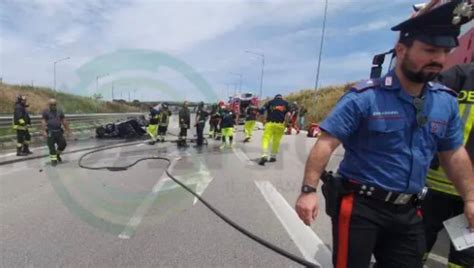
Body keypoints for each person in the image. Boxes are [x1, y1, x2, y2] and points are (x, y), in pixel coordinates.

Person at [294, 2, 474, 267]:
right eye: (430, 50)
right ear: (401, 51)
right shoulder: (364, 98)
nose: (439, 59)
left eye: (445, 51)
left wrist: (470, 198)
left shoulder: (445, 102)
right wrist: (308, 191)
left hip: (409, 211)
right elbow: (326, 143)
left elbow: (454, 154)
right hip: (360, 209)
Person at [423, 60, 474, 267]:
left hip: (447, 184)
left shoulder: (460, 74)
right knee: (417, 243)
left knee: (465, 256)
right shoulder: (460, 75)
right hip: (440, 183)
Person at [258, 94, 290, 166]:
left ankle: (264, 155)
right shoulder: (286, 103)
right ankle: (273, 156)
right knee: (276, 141)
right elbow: (288, 114)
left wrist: (263, 120)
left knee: (266, 139)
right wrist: (286, 124)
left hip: (270, 124)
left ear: (275, 97)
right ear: (281, 97)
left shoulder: (269, 102)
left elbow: (262, 110)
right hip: (280, 125)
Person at [42, 99, 70, 166]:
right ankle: (53, 160)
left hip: (58, 131)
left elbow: (64, 121)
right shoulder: (46, 112)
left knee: (63, 144)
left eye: (54, 104)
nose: (53, 106)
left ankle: (57, 155)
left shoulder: (59, 112)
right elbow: (43, 121)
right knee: (51, 147)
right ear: (49, 105)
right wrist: (44, 131)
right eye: (51, 105)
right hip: (50, 132)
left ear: (56, 105)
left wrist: (68, 130)